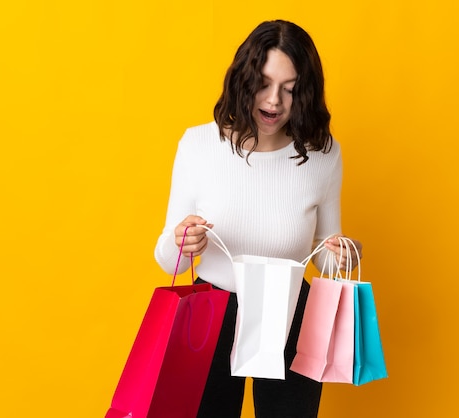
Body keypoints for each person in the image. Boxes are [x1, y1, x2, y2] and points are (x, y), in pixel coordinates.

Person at [154, 19, 362, 418]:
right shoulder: (198, 144)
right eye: (264, 84)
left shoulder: (322, 154)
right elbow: (169, 260)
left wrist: (345, 253)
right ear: (243, 80)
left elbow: (327, 257)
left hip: (290, 309)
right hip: (212, 311)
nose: (274, 102)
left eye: (291, 88)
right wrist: (183, 241)